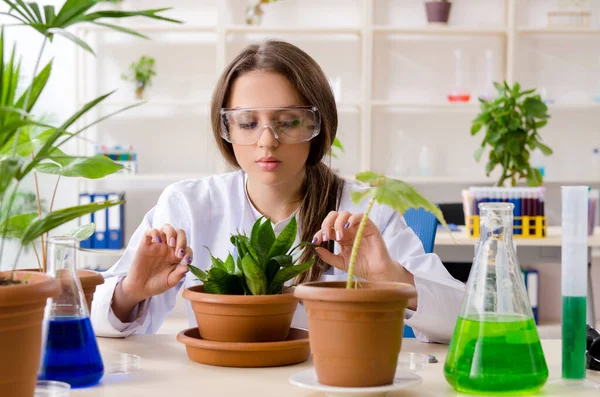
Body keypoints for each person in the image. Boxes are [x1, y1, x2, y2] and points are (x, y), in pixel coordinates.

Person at [91, 40, 465, 343]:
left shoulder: (364, 210)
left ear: (318, 124)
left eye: (287, 122)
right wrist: (131, 292)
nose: (266, 142)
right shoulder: (188, 204)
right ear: (226, 128)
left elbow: (467, 319)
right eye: (248, 123)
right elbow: (95, 320)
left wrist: (391, 277)